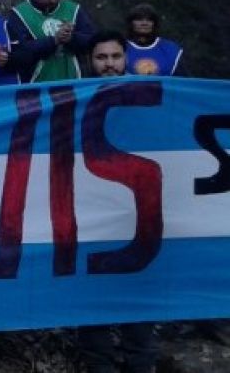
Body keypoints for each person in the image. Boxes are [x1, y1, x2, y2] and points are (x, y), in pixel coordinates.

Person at [77, 30, 157, 373]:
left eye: (115, 57)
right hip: (91, 219)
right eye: (101, 58)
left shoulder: (150, 98)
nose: (109, 64)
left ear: (126, 59)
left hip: (138, 221)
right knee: (90, 309)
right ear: (90, 62)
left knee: (138, 309)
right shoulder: (74, 99)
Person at [7, 0, 95, 82]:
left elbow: (93, 41)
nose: (53, 0)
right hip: (35, 86)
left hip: (74, 82)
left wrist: (72, 38)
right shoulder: (19, 13)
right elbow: (18, 54)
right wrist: (53, 41)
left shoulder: (74, 9)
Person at [125, 3, 185, 76]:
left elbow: (183, 83)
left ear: (155, 23)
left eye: (149, 19)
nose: (144, 23)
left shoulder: (172, 50)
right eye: (139, 19)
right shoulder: (120, 48)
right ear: (131, 23)